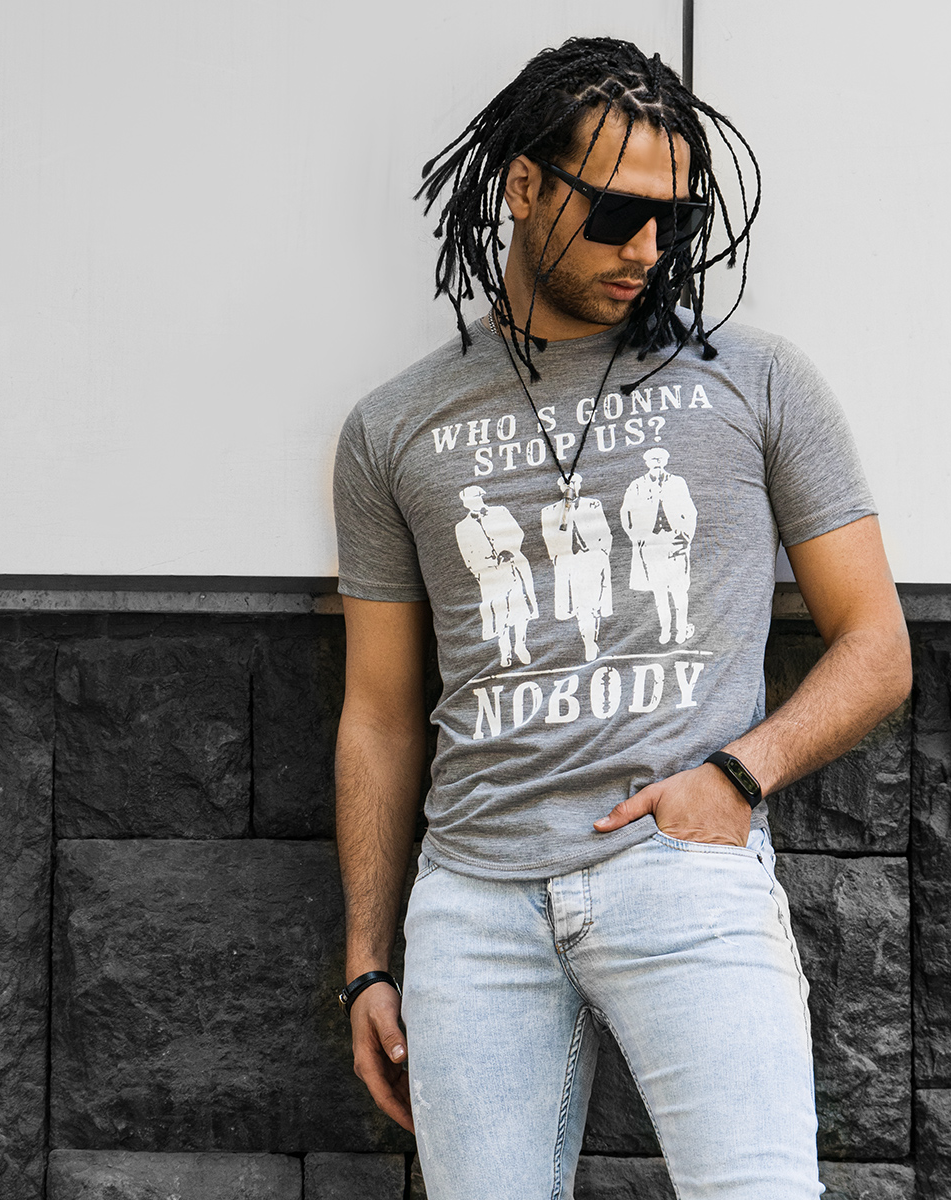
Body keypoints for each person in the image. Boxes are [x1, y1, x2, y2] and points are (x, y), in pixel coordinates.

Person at [332, 36, 911, 1200]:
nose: (646, 249)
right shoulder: (392, 429)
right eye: (614, 214)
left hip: (681, 865)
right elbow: (380, 715)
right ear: (524, 187)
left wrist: (735, 780)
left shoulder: (756, 381)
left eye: (674, 220)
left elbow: (877, 647)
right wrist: (367, 963)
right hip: (474, 903)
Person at [455, 483, 539, 666]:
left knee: (520, 608)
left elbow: (517, 532)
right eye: (469, 500)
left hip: (512, 564)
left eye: (476, 498)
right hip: (489, 575)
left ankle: (521, 645)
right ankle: (505, 652)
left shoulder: (500, 511)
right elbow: (467, 554)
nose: (472, 503)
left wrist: (507, 551)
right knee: (499, 613)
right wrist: (484, 568)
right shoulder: (462, 526)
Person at [620, 446, 697, 645]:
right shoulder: (637, 485)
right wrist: (637, 537)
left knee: (679, 590)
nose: (656, 462)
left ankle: (681, 629)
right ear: (647, 463)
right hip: (651, 545)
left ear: (665, 461)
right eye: (652, 459)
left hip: (675, 542)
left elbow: (690, 511)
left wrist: (686, 536)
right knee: (659, 591)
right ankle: (665, 630)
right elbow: (626, 513)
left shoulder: (678, 482)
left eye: (660, 459)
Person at [541, 472, 613, 662]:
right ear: (560, 487)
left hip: (592, 558)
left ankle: (591, 639)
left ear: (580, 484)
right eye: (566, 484)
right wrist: (557, 559)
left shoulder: (593, 504)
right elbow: (549, 537)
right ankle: (589, 642)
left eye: (574, 482)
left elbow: (604, 531)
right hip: (569, 562)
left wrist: (602, 553)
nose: (571, 486)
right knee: (581, 605)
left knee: (594, 602)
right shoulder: (549, 511)